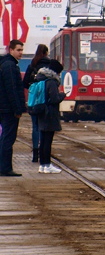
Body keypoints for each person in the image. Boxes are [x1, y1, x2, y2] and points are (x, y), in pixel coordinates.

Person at [30, 59, 64, 174]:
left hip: (41, 112)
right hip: (49, 114)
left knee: (43, 140)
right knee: (47, 141)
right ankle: (47, 165)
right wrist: (62, 95)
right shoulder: (52, 82)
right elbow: (54, 99)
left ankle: (42, 165)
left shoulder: (40, 78)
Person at [0, 39, 26, 176]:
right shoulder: (10, 66)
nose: (21, 53)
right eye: (18, 50)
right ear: (11, 50)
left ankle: (4, 167)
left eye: (22, 50)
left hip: (4, 107)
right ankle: (5, 168)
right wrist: (17, 109)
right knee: (8, 138)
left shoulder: (6, 64)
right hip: (8, 109)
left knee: (5, 137)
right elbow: (12, 89)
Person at [22, 44, 47, 163]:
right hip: (45, 101)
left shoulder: (32, 65)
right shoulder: (49, 66)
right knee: (44, 127)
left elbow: (25, 82)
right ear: (46, 53)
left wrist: (33, 88)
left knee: (35, 127)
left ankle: (35, 154)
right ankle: (44, 153)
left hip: (33, 101)